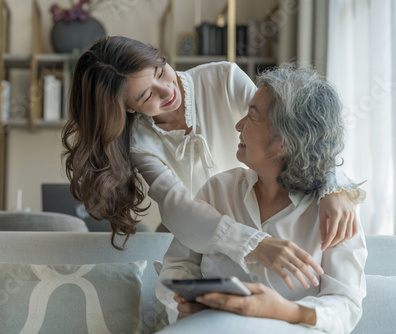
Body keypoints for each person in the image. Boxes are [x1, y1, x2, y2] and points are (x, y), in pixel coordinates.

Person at [61, 36, 364, 289]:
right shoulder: (139, 142)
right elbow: (176, 205)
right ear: (127, 108)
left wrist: (333, 187)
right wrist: (253, 244)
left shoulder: (223, 78)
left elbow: (294, 128)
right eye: (146, 95)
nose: (167, 90)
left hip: (263, 207)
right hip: (198, 234)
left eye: (159, 71)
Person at [156, 63, 367, 334]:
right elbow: (178, 267)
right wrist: (183, 305)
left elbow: (346, 306)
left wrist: (283, 311)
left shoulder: (335, 213)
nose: (239, 124)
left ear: (285, 141)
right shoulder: (218, 190)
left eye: (252, 117)